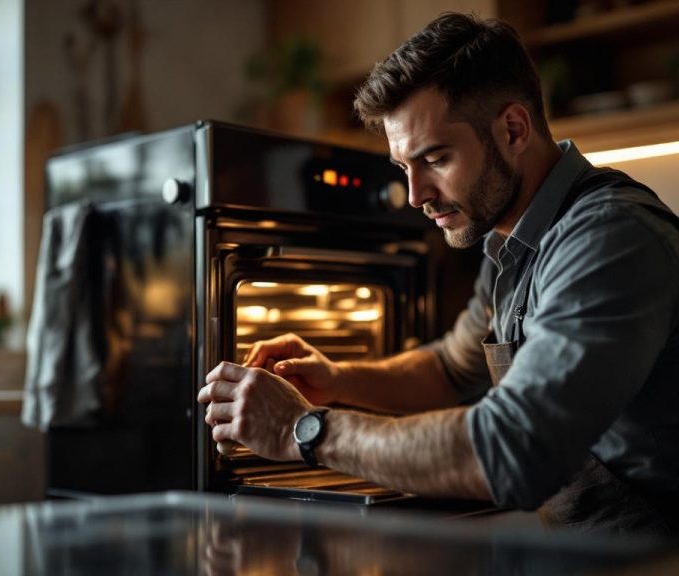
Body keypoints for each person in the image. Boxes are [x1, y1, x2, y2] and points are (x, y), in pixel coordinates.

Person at [198, 12, 679, 534]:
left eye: (435, 159)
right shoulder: (510, 239)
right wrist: (336, 380)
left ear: (513, 130)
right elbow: (451, 368)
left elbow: (514, 448)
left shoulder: (608, 237)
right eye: (404, 167)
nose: (415, 195)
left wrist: (301, 428)